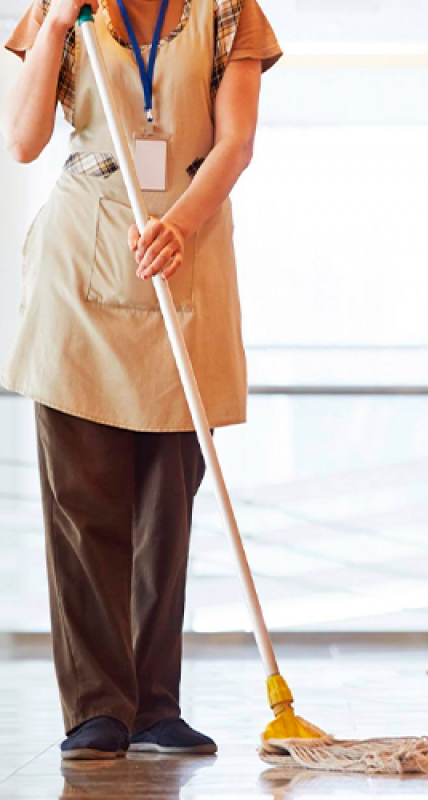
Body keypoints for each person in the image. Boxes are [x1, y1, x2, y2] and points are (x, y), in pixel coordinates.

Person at [0, 0, 281, 760]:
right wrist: (57, 25)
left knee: (167, 512)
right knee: (85, 509)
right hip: (81, 268)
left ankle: (156, 707)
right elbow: (24, 142)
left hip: (185, 259)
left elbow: (237, 143)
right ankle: (98, 707)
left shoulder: (227, 11)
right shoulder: (63, 12)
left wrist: (180, 225)